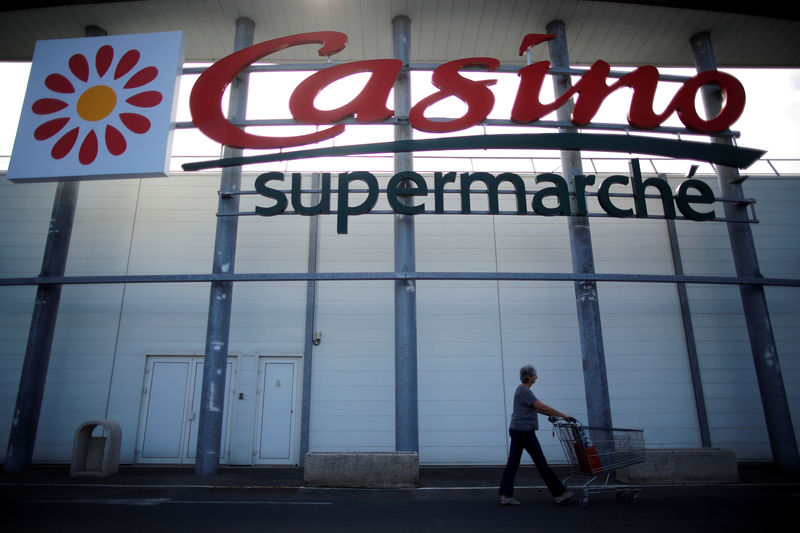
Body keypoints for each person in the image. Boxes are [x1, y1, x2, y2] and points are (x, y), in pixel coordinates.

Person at [498, 364, 574, 505]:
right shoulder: (524, 391)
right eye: (534, 375)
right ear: (529, 377)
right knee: (541, 463)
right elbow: (542, 407)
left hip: (517, 430)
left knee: (513, 463)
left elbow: (539, 409)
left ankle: (505, 495)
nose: (536, 377)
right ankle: (559, 493)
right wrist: (563, 415)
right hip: (525, 432)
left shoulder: (522, 390)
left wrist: (551, 415)